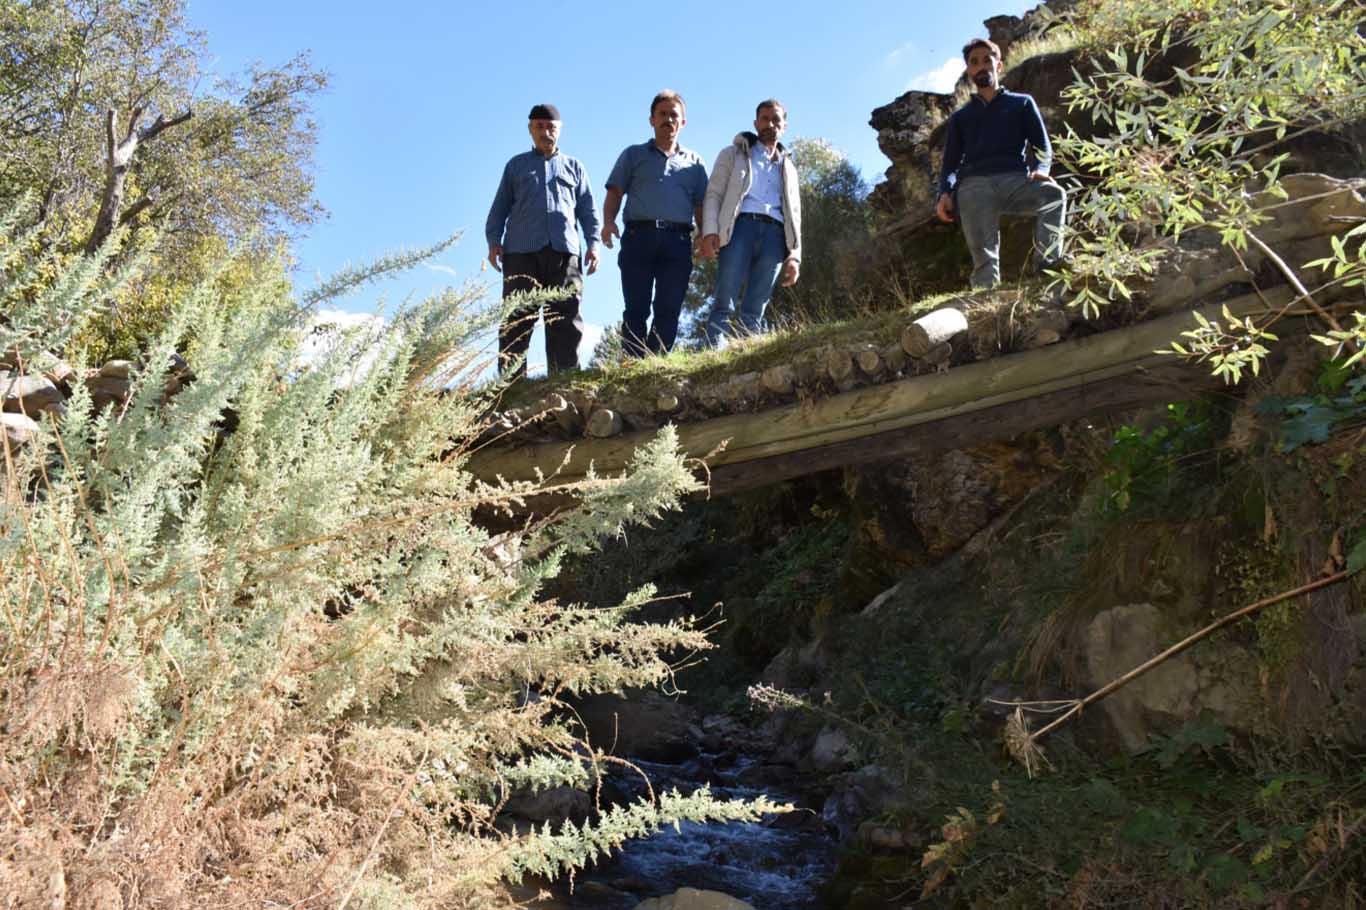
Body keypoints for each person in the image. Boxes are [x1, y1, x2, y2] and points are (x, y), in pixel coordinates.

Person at [934, 38, 1065, 290]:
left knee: (1054, 196)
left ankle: (1047, 267)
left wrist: (1041, 170)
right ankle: (986, 290)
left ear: (999, 65)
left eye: (987, 60)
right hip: (974, 185)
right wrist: (944, 193)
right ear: (969, 72)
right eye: (974, 63)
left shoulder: (1022, 103)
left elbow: (1042, 145)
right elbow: (950, 164)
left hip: (1014, 180)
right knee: (982, 253)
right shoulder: (960, 118)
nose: (981, 66)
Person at [485, 103, 600, 379]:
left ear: (559, 130)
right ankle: (510, 387)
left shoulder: (574, 167)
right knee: (517, 320)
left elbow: (588, 210)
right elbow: (499, 209)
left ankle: (564, 381)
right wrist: (493, 242)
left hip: (565, 254)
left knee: (566, 319)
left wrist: (594, 244)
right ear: (530, 129)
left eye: (551, 127)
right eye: (539, 126)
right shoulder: (516, 166)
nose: (545, 132)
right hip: (521, 254)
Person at [602, 90, 708, 356]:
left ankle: (655, 362)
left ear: (683, 123)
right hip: (640, 237)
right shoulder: (634, 155)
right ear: (651, 119)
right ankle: (633, 362)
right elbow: (615, 191)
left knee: (669, 306)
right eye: (662, 114)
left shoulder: (694, 163)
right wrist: (608, 222)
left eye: (674, 115)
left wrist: (704, 234)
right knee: (636, 306)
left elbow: (701, 204)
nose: (668, 120)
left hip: (678, 242)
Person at [700, 99, 802, 346]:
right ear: (756, 123)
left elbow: (795, 213)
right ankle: (712, 353)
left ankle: (749, 354)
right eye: (765, 119)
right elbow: (713, 194)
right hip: (740, 228)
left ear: (784, 125)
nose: (770, 124)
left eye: (776, 119)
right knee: (725, 299)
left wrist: (795, 255)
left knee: (756, 304)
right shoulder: (732, 154)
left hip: (775, 235)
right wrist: (709, 231)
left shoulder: (789, 167)